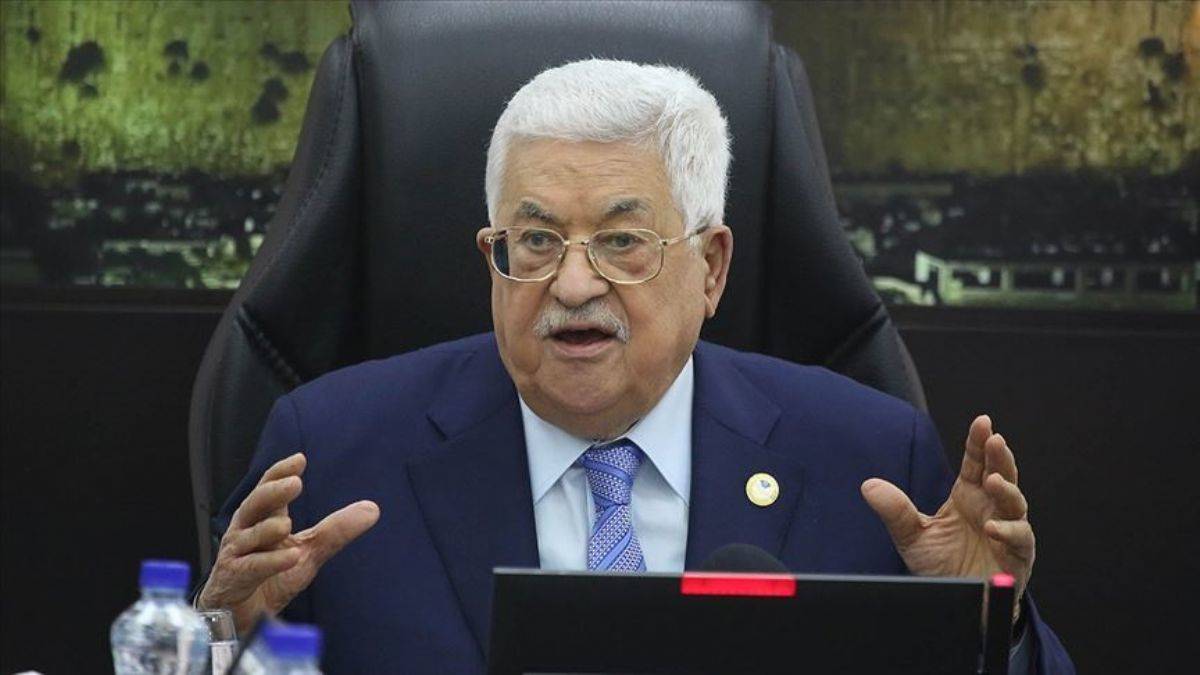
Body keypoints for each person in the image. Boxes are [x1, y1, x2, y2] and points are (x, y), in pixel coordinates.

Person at [197, 60, 1073, 673]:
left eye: (622, 241)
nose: (573, 284)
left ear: (712, 268)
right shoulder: (334, 452)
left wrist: (986, 629)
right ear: (492, 258)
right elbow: (213, 655)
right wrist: (221, 638)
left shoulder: (868, 460)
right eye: (536, 241)